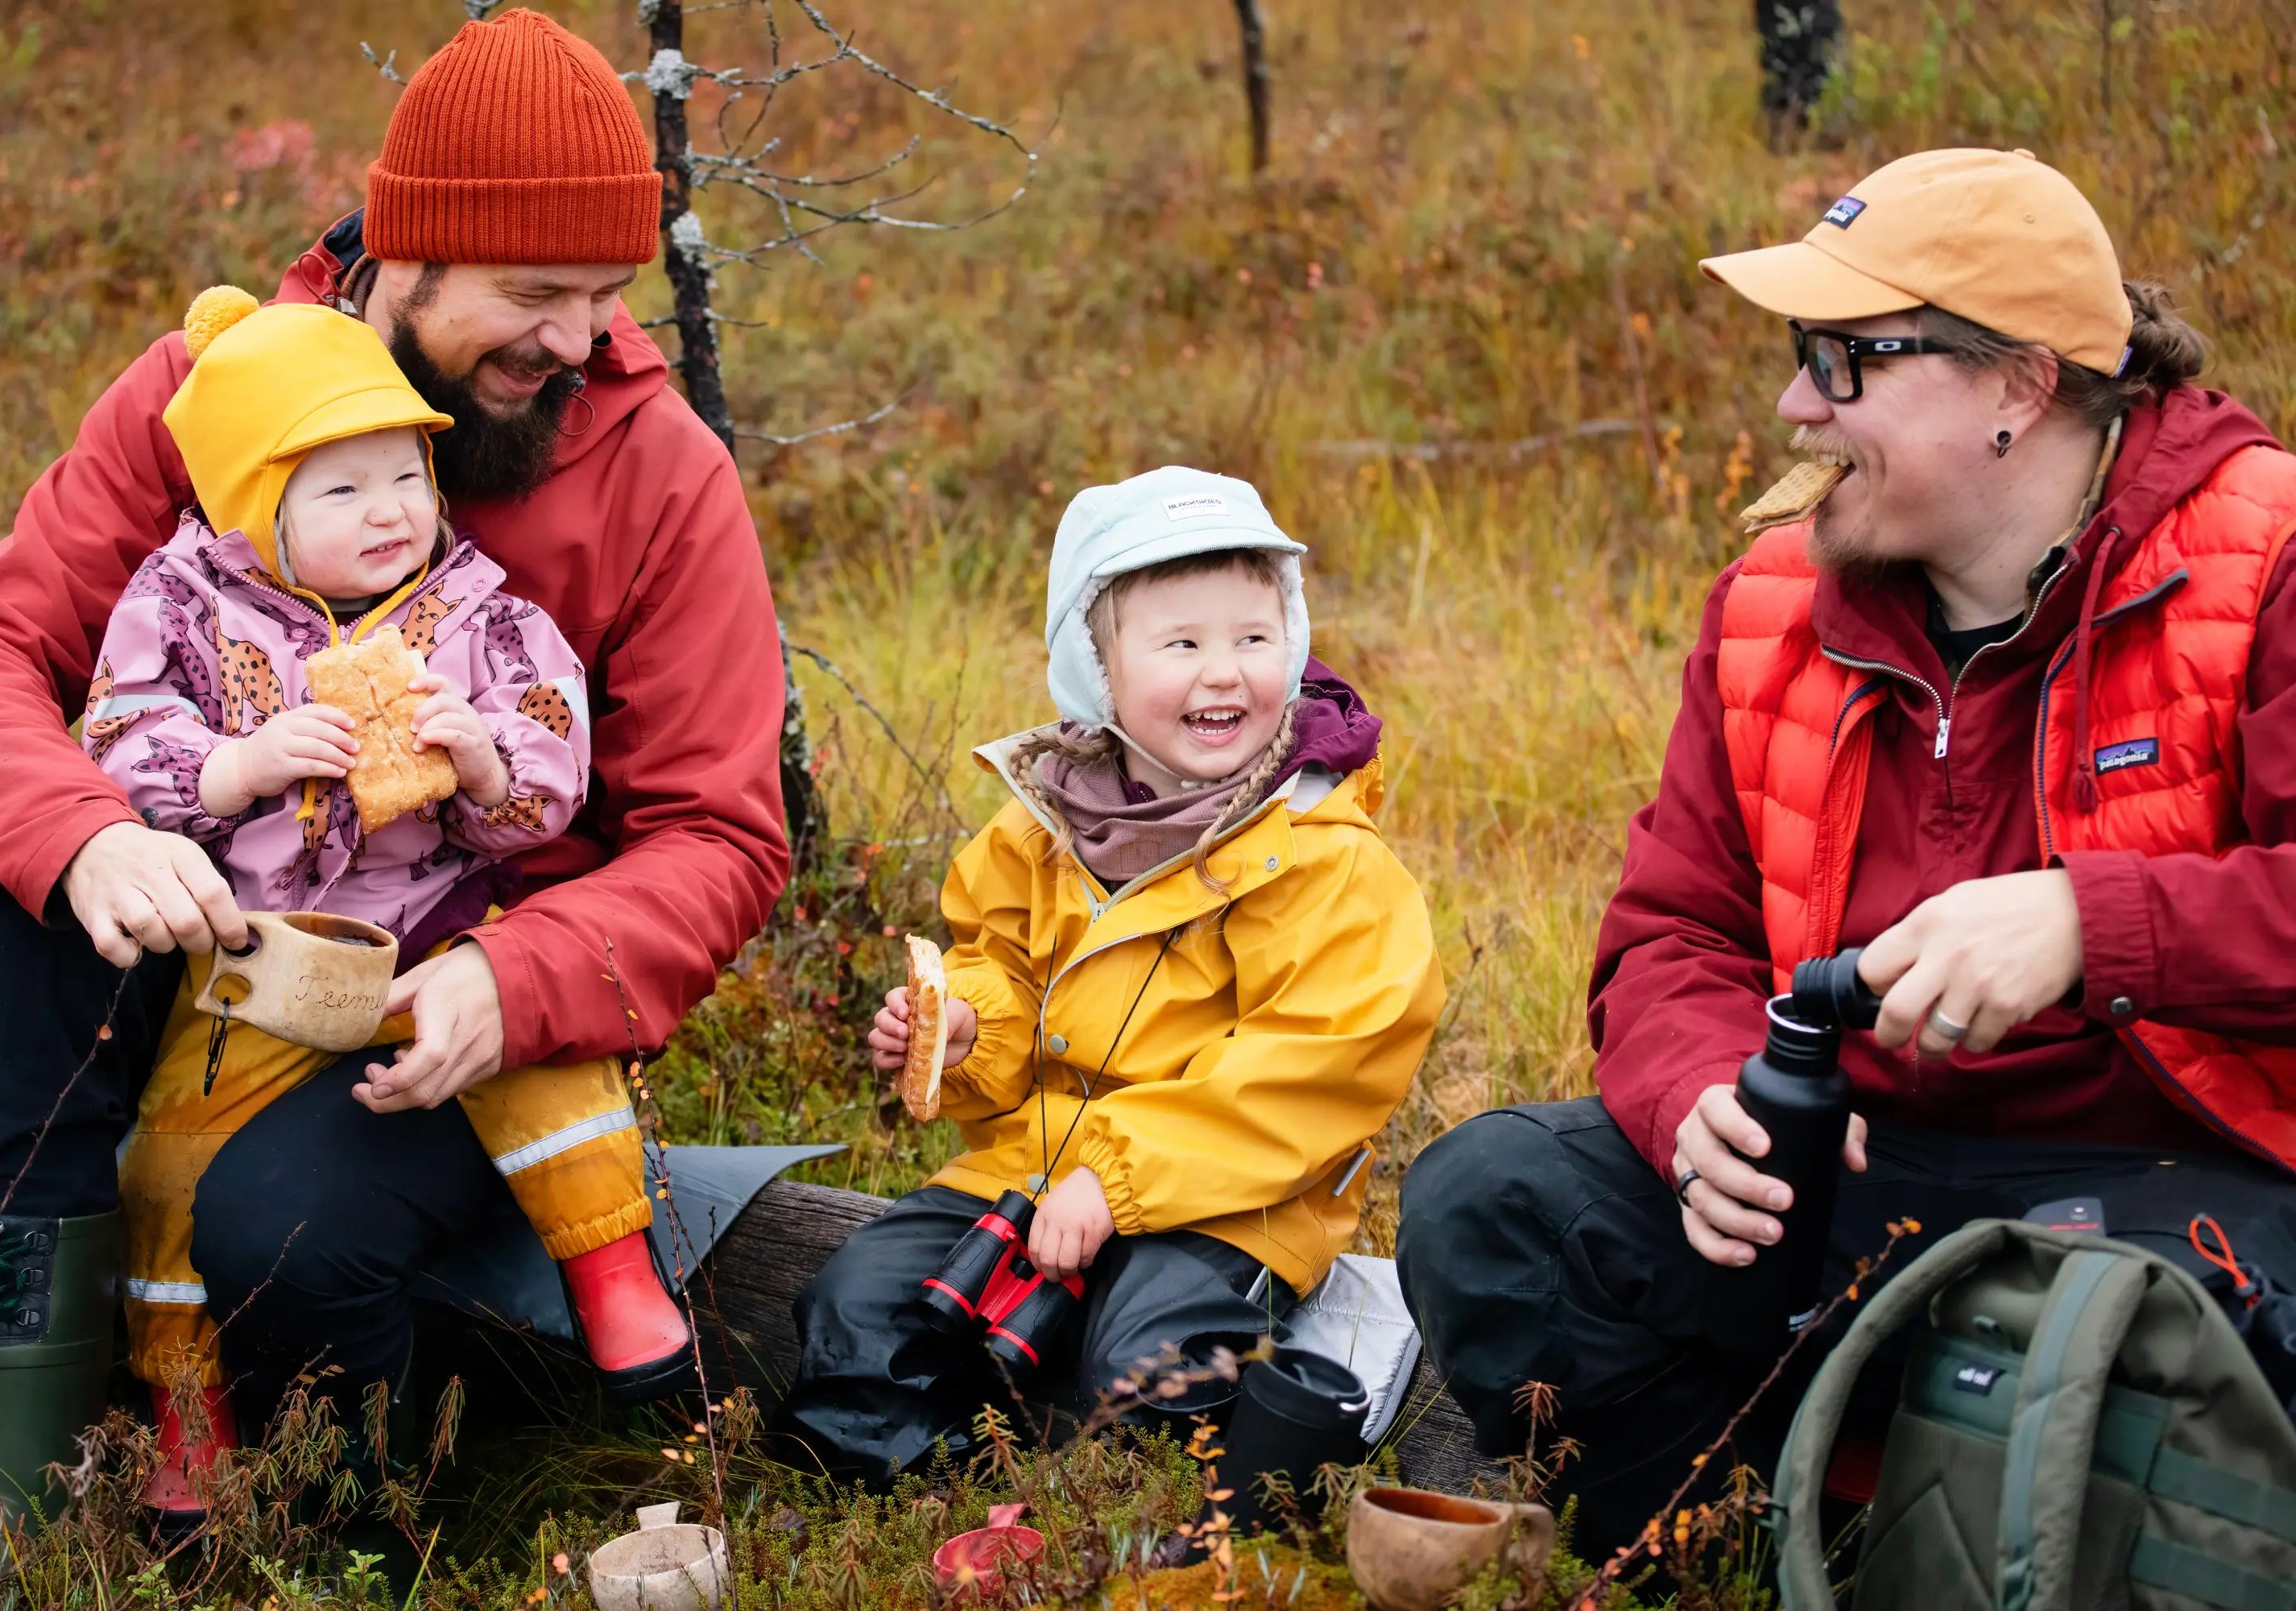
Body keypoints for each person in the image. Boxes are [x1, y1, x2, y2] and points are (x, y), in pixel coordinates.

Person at [0, 8, 788, 1537]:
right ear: (406, 253)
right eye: (533, 295)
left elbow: (718, 831)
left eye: (604, 298)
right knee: (25, 931)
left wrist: (528, 978)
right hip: (214, 926)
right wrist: (84, 835)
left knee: (279, 1232)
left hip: (450, 985)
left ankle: (344, 1543)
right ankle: (16, 1518)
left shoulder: (654, 469)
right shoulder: (220, 389)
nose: (576, 344)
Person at [1396, 147, 2296, 1559]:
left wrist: (2089, 922)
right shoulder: (1771, 599)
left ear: (2021, 383)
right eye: (1802, 355)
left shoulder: (2270, 558)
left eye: (1847, 359)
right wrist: (1702, 1102)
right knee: (1495, 1202)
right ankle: (1749, 1557)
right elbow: (1671, 931)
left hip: (2185, 1204)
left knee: (2160, 1331)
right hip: (1856, 1187)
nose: (1796, 403)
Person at [92, 287, 703, 1528]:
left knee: (546, 1056)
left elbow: (550, 771)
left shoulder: (478, 612)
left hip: (437, 938)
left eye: (406, 478)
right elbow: (120, 734)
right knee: (163, 1162)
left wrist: (481, 763)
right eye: (342, 490)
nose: (391, 514)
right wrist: (237, 767)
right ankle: (188, 1412)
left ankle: (611, 1268)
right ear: (252, 506)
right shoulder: (184, 604)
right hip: (260, 968)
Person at [782, 466, 1445, 1485]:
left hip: (1233, 1199)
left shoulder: (1323, 856)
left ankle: (1181, 1526)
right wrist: (967, 1026)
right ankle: (916, 1502)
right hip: (1034, 1166)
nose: (1223, 674)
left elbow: (1315, 1065)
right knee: (859, 1303)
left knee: (1148, 1362)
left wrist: (1117, 1175)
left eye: (1253, 638)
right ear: (1095, 665)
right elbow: (996, 960)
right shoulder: (1042, 827)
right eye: (1180, 643)